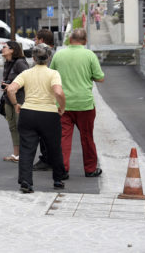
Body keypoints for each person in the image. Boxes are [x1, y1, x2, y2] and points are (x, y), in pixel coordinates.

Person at [7, 44, 67, 193]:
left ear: (33, 58)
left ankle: (26, 182)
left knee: (26, 149)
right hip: (49, 114)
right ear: (49, 58)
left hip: (28, 113)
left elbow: (11, 89)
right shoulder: (53, 74)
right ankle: (58, 179)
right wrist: (62, 107)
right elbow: (58, 92)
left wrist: (15, 104)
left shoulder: (26, 73)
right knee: (54, 147)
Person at [50, 28, 105, 178]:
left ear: (70, 40)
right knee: (87, 137)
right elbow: (100, 77)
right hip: (84, 103)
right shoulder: (89, 55)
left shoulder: (59, 55)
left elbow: (51, 76)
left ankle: (62, 169)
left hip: (63, 104)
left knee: (64, 138)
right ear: (85, 41)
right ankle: (90, 169)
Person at [0, 41, 29, 163]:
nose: (2, 49)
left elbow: (28, 79)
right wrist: (7, 85)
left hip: (20, 100)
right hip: (8, 99)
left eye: (4, 47)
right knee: (12, 127)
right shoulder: (7, 63)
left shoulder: (20, 63)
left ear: (12, 50)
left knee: (21, 127)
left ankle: (24, 155)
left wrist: (13, 86)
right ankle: (16, 154)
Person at [32, 28, 55, 172]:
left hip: (46, 99)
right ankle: (49, 158)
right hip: (51, 98)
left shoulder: (47, 55)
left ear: (41, 40)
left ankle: (47, 159)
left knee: (44, 133)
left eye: (36, 38)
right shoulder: (54, 53)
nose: (34, 41)